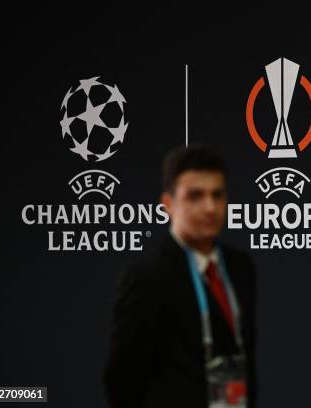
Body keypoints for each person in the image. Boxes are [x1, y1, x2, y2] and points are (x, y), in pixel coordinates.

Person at [104, 145, 256, 407]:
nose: (210, 207)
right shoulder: (147, 276)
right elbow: (121, 380)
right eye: (195, 196)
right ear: (168, 204)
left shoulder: (240, 267)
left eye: (217, 195)